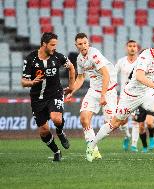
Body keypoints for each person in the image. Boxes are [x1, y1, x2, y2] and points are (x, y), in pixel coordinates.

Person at [90, 38, 154, 155]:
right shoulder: (145, 57)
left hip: (147, 93)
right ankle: (92, 145)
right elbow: (139, 76)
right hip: (131, 95)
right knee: (115, 123)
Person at [21, 32, 75, 161]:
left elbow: (71, 68)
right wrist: (32, 82)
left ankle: (60, 132)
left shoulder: (58, 57)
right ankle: (56, 151)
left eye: (55, 45)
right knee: (44, 130)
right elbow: (23, 81)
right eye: (52, 45)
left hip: (55, 93)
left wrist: (71, 87)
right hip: (37, 98)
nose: (54, 47)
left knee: (56, 119)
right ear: (44, 44)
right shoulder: (30, 59)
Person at [65, 33, 117, 162]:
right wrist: (72, 90)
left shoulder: (94, 54)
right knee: (84, 118)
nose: (83, 46)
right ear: (76, 45)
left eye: (85, 43)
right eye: (80, 44)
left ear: (88, 43)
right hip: (93, 90)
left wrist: (103, 95)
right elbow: (81, 77)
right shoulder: (79, 59)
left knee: (112, 124)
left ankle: (93, 144)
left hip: (108, 91)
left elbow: (106, 75)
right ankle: (93, 149)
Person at [115, 40, 139, 152]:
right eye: (130, 46)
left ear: (137, 48)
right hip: (124, 96)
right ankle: (127, 136)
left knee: (136, 120)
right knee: (122, 121)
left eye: (134, 46)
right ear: (126, 48)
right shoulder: (121, 62)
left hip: (138, 95)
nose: (132, 48)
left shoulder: (141, 62)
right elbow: (113, 76)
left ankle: (134, 144)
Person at [132, 70, 154, 152]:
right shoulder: (138, 70)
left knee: (149, 122)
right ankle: (145, 146)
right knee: (141, 127)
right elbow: (131, 83)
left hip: (151, 100)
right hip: (140, 100)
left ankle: (151, 137)